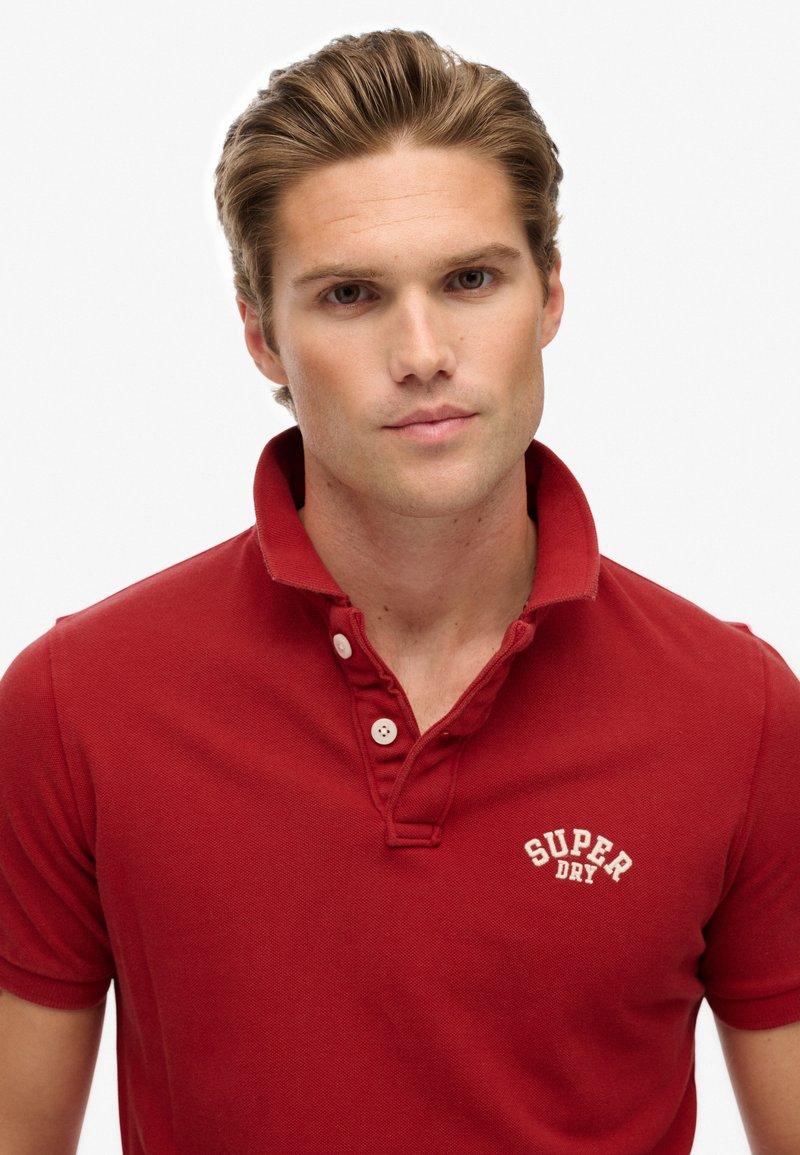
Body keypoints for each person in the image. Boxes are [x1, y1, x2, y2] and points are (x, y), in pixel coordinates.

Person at [1, 27, 798, 1155]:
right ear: (260, 335)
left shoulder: (740, 714)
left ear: (550, 296)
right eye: (350, 295)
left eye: (470, 280)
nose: (422, 352)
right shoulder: (75, 705)